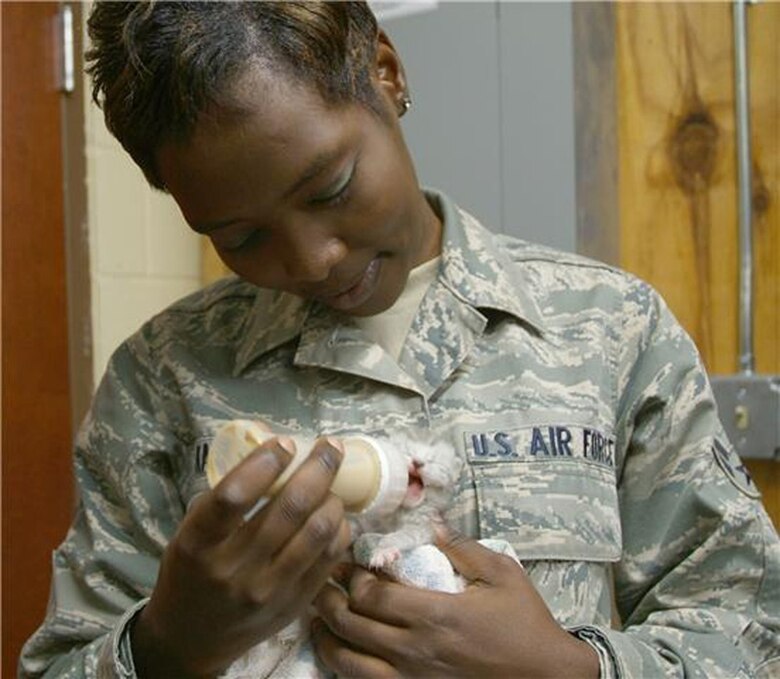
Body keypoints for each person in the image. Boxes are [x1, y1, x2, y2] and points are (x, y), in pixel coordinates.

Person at [20, 2, 779, 677]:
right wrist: (168, 645)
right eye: (241, 236)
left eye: (330, 188)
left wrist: (570, 667)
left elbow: (753, 635)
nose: (312, 258)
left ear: (385, 72)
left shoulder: (612, 330)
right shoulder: (161, 379)